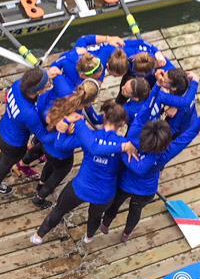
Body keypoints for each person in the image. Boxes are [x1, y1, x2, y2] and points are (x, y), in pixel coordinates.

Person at [101, 88, 200, 241]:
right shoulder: (166, 152)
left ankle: (105, 224)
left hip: (124, 183)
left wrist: (157, 88)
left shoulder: (133, 136)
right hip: (145, 191)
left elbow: (145, 110)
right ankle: (126, 234)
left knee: (115, 204)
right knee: (135, 210)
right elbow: (190, 134)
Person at [31, 101, 138, 244]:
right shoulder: (126, 145)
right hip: (104, 192)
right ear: (123, 124)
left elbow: (60, 145)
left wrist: (63, 131)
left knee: (59, 210)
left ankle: (38, 236)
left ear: (104, 116)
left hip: (81, 186)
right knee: (95, 216)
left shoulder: (88, 136)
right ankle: (89, 237)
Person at [29, 79, 102, 209]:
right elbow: (61, 144)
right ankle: (39, 197)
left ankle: (41, 183)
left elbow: (48, 114)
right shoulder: (79, 119)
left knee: (50, 164)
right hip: (60, 153)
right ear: (93, 100)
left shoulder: (64, 99)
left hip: (46, 145)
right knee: (58, 174)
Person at [0, 67, 58, 195]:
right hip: (15, 144)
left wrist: (47, 74)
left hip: (3, 128)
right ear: (38, 91)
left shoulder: (17, 85)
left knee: (4, 155)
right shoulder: (29, 114)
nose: (49, 85)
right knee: (6, 164)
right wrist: (61, 135)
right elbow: (43, 137)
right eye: (47, 85)